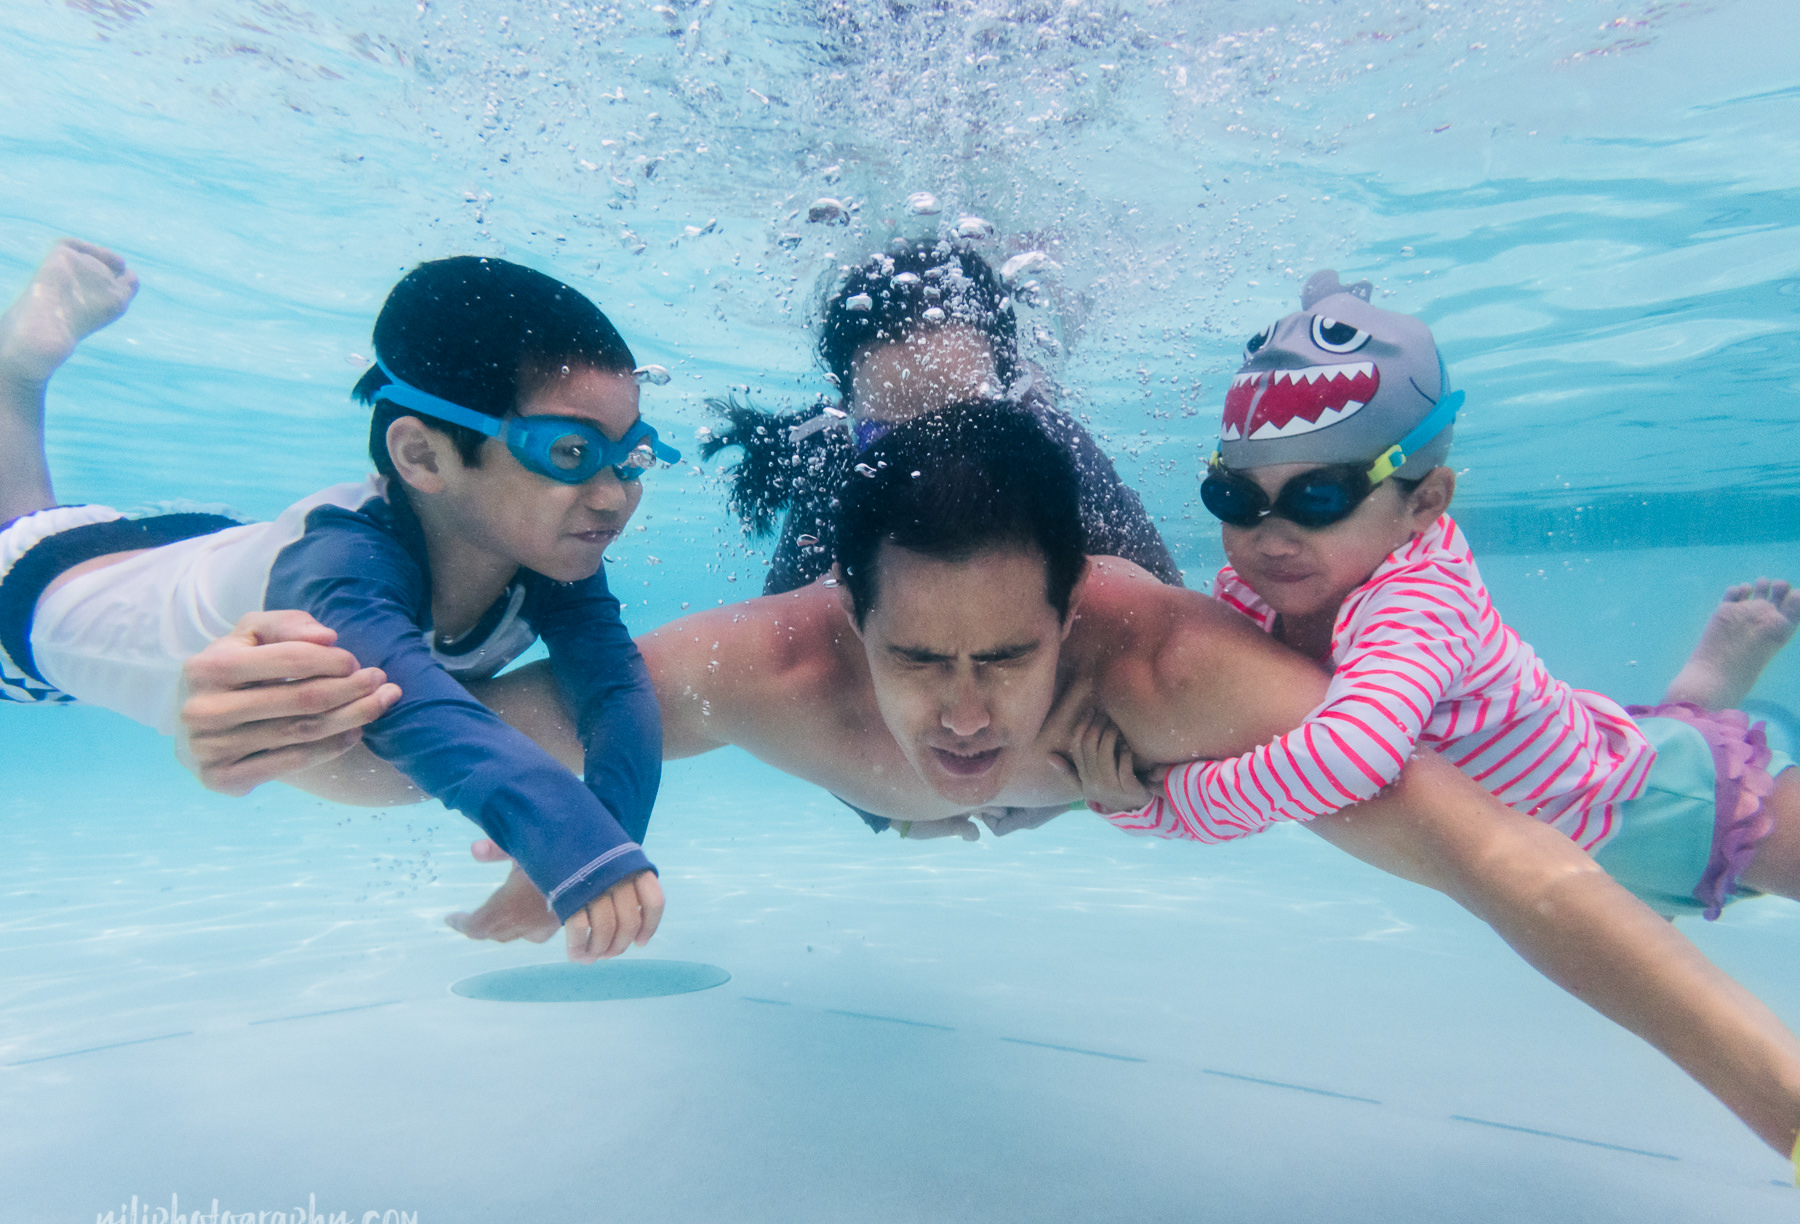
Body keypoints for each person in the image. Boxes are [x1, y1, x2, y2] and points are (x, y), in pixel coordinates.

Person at [174, 401, 1800, 1166]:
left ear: (1072, 620)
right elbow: (427, 757)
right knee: (876, 446)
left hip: (1106, 662)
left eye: (1004, 662)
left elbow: (1508, 860)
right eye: (917, 659)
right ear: (843, 616)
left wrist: (1766, 1091)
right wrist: (274, 737)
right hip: (889, 649)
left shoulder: (1162, 670)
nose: (961, 719)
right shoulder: (772, 666)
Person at [0, 239, 674, 961]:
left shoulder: (547, 551)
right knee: (20, 527)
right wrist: (571, 842)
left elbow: (616, 687)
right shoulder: (340, 571)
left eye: (630, 456)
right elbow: (409, 705)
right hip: (33, 596)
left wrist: (606, 830)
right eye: (570, 453)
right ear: (421, 456)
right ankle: (18, 373)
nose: (612, 495)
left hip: (203, 549)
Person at [1070, 271, 1800, 924]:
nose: (1270, 535)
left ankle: (1703, 708)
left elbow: (1346, 760)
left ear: (1425, 502)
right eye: (1233, 497)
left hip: (1658, 810)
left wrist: (1172, 802)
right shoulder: (1258, 596)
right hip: (1543, 830)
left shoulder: (1420, 599)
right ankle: (1699, 698)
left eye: (1318, 498)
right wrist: (1129, 804)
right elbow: (1221, 738)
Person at [701, 237, 1180, 837]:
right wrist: (884, 806)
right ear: (847, 415)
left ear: (1016, 402)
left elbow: (1164, 642)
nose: (935, 466)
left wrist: (1080, 791)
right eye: (889, 434)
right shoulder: (833, 477)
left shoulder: (1061, 460)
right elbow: (796, 685)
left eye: (971, 423)